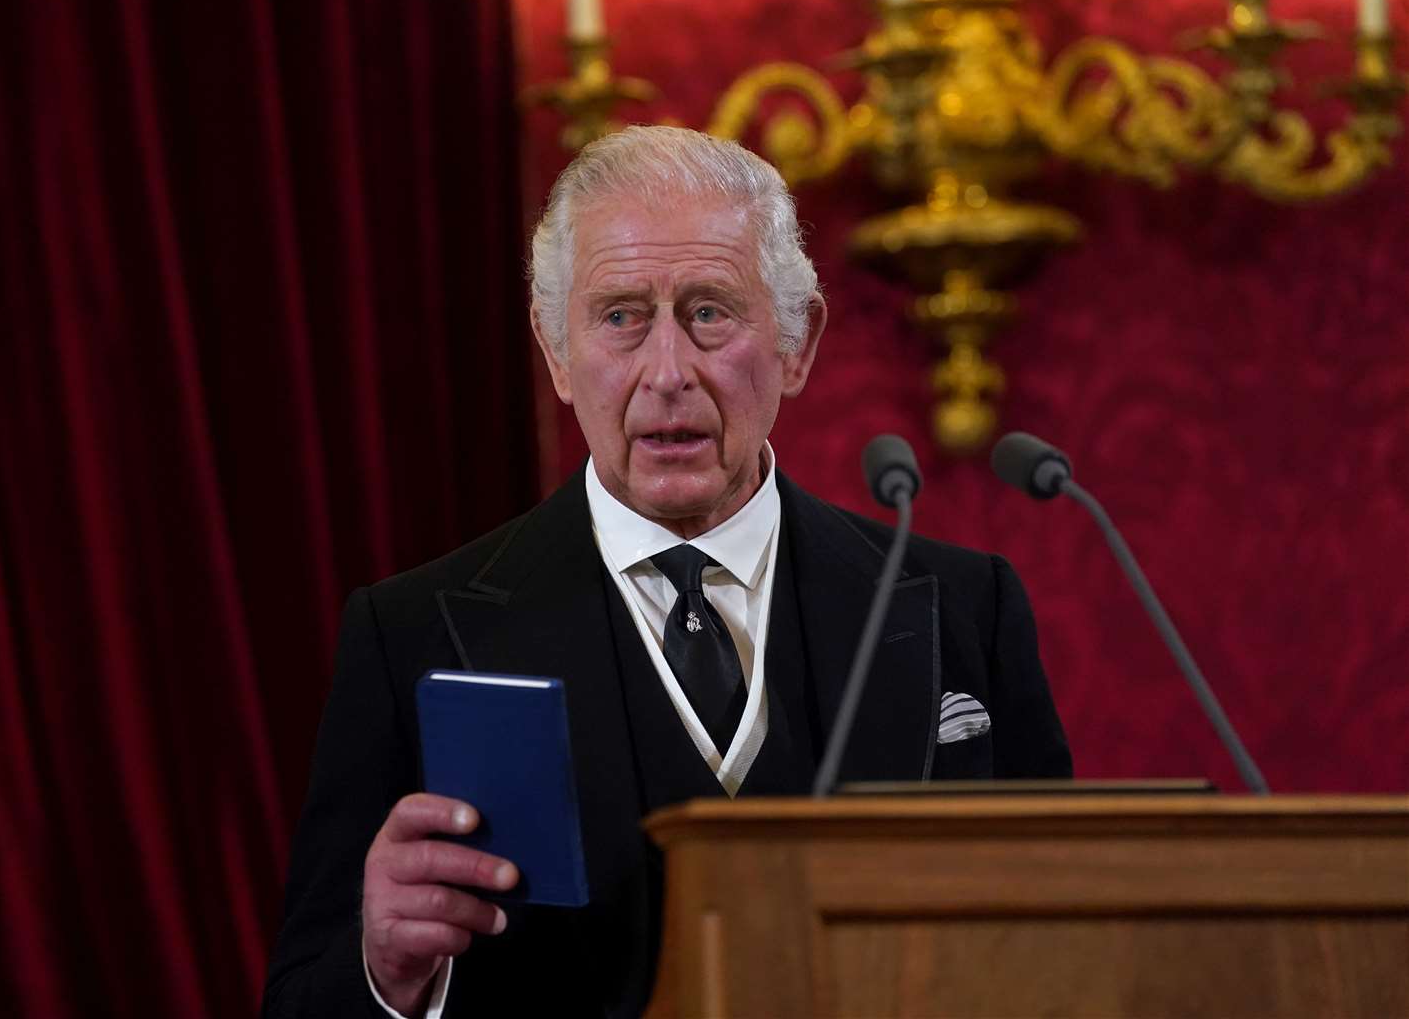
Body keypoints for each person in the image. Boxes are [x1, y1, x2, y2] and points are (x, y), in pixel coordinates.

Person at [262, 126, 1071, 1018]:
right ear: (556, 353)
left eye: (710, 312)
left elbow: (1065, 950)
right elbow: (303, 1000)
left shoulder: (965, 608)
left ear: (797, 345)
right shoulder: (410, 633)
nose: (667, 372)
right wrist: (386, 974)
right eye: (620, 317)